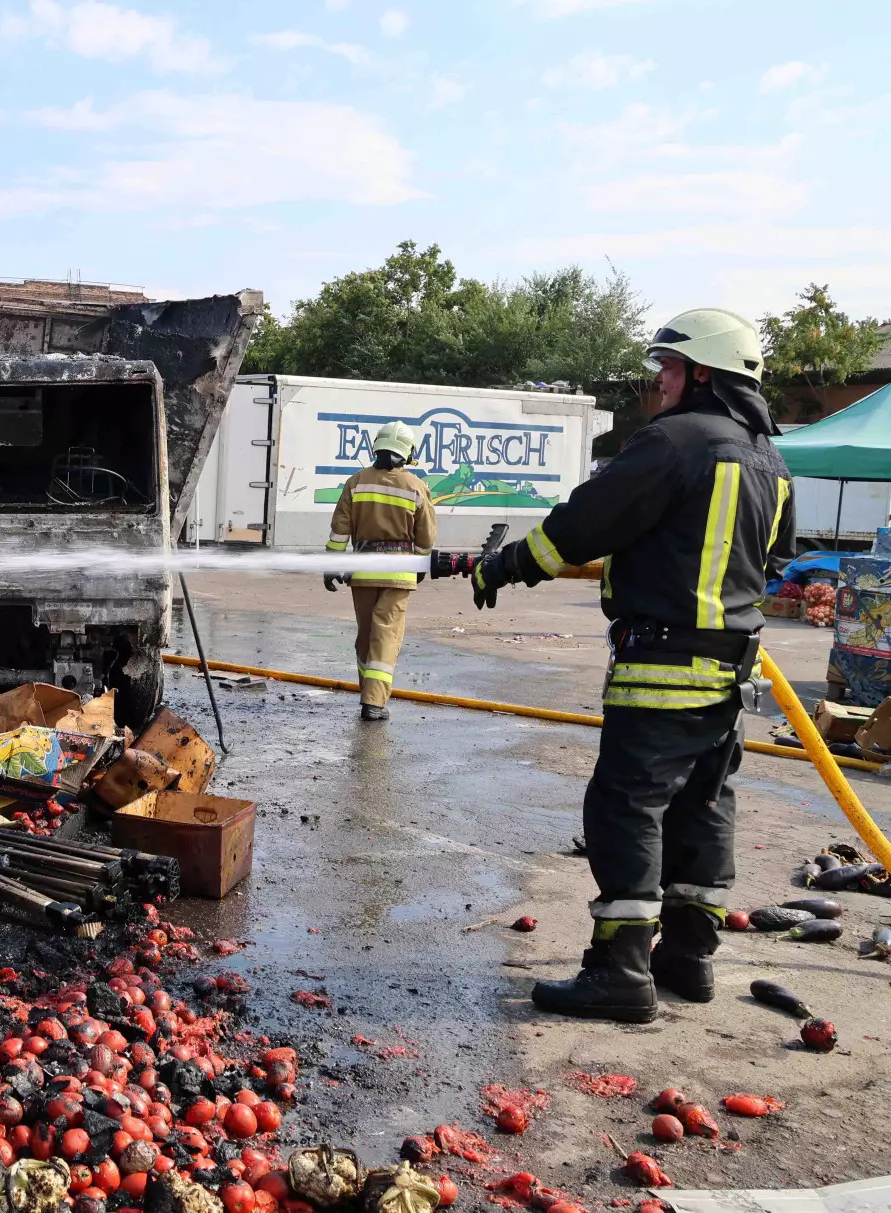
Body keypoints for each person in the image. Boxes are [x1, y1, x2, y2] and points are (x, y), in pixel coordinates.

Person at [471, 308, 794, 1024]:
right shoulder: (771, 461)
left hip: (664, 665)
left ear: (704, 373)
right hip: (732, 671)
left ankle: (619, 972)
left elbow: (587, 520)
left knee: (625, 807)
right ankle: (688, 957)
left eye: (670, 367)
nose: (660, 380)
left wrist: (511, 564)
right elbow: (771, 559)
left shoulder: (674, 442)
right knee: (702, 807)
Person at [323, 421, 437, 722]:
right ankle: (373, 702)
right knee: (385, 635)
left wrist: (332, 564)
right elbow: (425, 536)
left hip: (362, 571)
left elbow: (340, 529)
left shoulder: (356, 482)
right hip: (399, 572)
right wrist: (421, 564)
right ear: (409, 452)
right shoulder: (416, 486)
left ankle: (368, 694)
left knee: (366, 636)